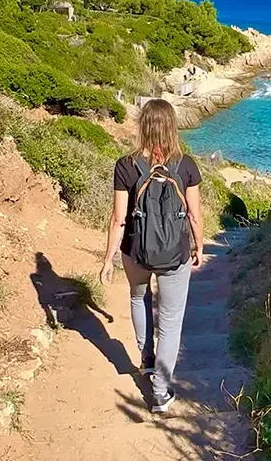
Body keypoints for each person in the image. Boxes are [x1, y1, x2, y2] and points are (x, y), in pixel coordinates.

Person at [100, 99, 203, 413]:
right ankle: (159, 392)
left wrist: (107, 260)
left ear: (142, 126)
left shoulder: (125, 165)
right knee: (170, 323)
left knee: (138, 297)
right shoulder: (185, 165)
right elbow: (195, 215)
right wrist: (200, 246)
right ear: (172, 126)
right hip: (175, 254)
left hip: (135, 252)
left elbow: (118, 219)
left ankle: (146, 360)